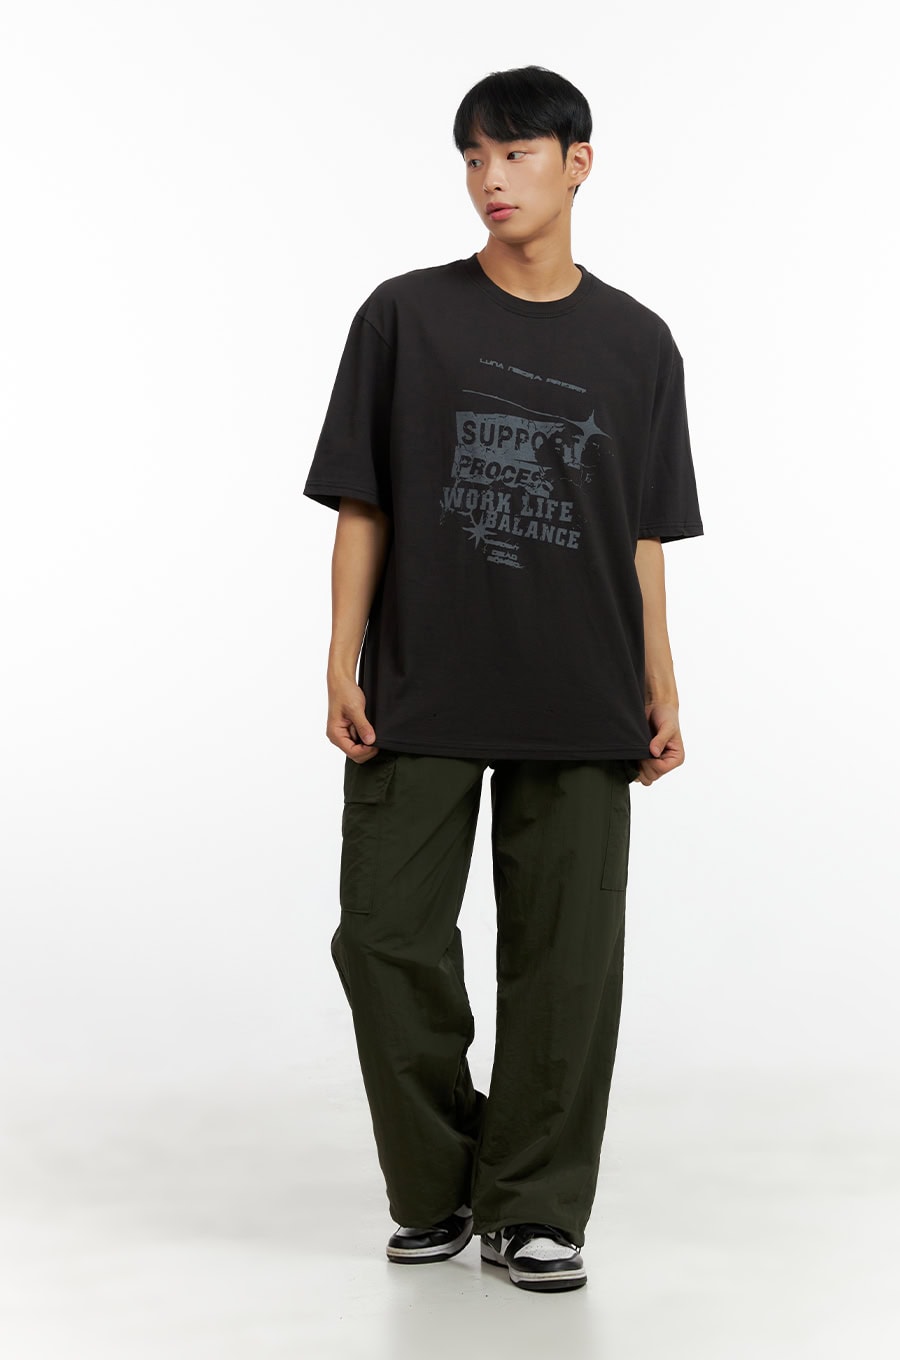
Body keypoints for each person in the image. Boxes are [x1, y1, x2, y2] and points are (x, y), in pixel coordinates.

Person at [302, 65, 704, 1293]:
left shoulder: (637, 342)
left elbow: (640, 535)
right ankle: (442, 1180)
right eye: (474, 157)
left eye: (516, 154)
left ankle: (535, 1207)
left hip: (581, 689)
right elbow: (363, 501)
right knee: (383, 938)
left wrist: (662, 683)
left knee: (565, 963)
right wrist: (339, 656)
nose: (491, 179)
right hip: (420, 682)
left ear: (577, 163)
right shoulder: (403, 316)